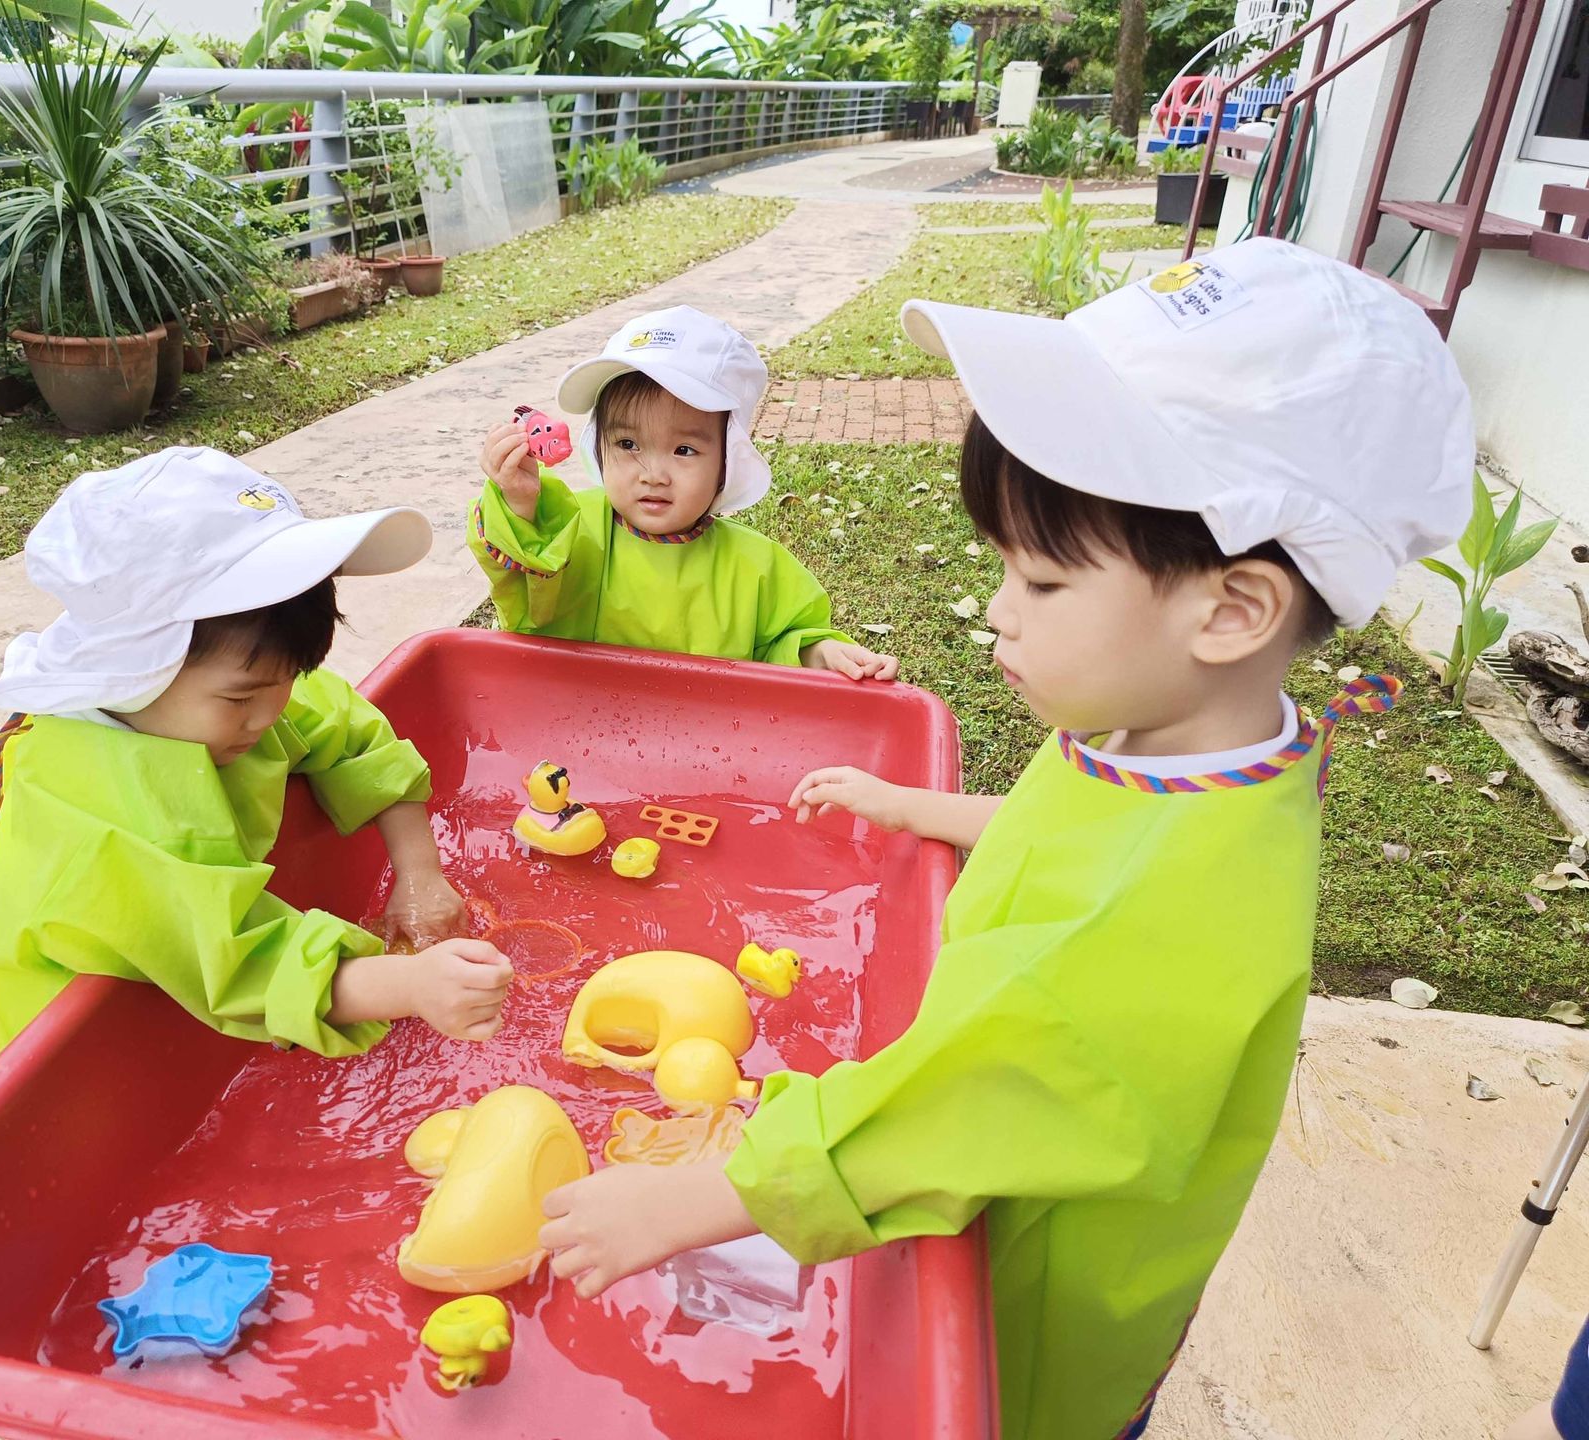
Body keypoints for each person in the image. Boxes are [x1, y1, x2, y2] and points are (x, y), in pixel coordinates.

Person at [539, 241, 1474, 1440]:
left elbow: (966, 1100)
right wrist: (916, 809)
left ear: (1232, 609)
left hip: (1035, 1311)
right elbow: (1071, 830)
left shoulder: (1166, 910)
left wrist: (695, 1202)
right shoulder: (1183, 736)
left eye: (1037, 581)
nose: (994, 610)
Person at [0, 446, 511, 1078]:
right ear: (135, 666)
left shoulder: (228, 692)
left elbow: (353, 735)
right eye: (242, 697)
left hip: (184, 949)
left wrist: (420, 874)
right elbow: (242, 963)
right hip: (49, 1015)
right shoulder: (106, 818)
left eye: (289, 679)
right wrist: (410, 986)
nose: (271, 714)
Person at [471, 304, 898, 679]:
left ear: (728, 461)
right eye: (627, 444)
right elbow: (524, 584)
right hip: (579, 731)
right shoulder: (568, 529)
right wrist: (520, 502)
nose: (653, 474)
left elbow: (786, 641)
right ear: (598, 444)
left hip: (705, 745)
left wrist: (820, 653)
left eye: (684, 449)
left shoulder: (757, 566)